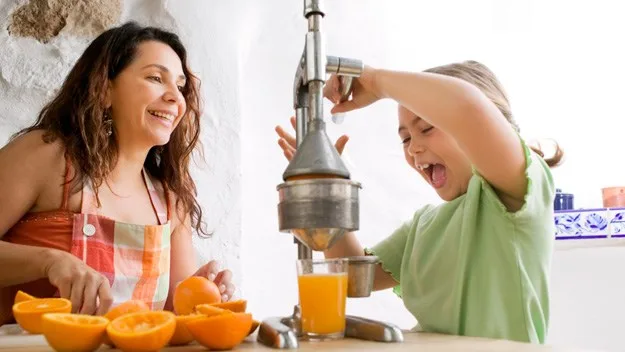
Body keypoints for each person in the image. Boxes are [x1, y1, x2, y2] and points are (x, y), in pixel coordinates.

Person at [276, 60, 563, 343]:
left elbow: (468, 107)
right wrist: (327, 188)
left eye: (426, 128)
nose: (414, 147)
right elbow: (351, 276)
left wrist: (376, 80)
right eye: (405, 139)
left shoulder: (518, 192)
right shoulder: (424, 226)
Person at [0, 22, 235, 324]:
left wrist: (202, 294)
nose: (176, 98)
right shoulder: (47, 155)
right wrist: (50, 261)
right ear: (105, 89)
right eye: (155, 78)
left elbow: (174, 318)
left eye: (180, 86)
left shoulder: (171, 203)